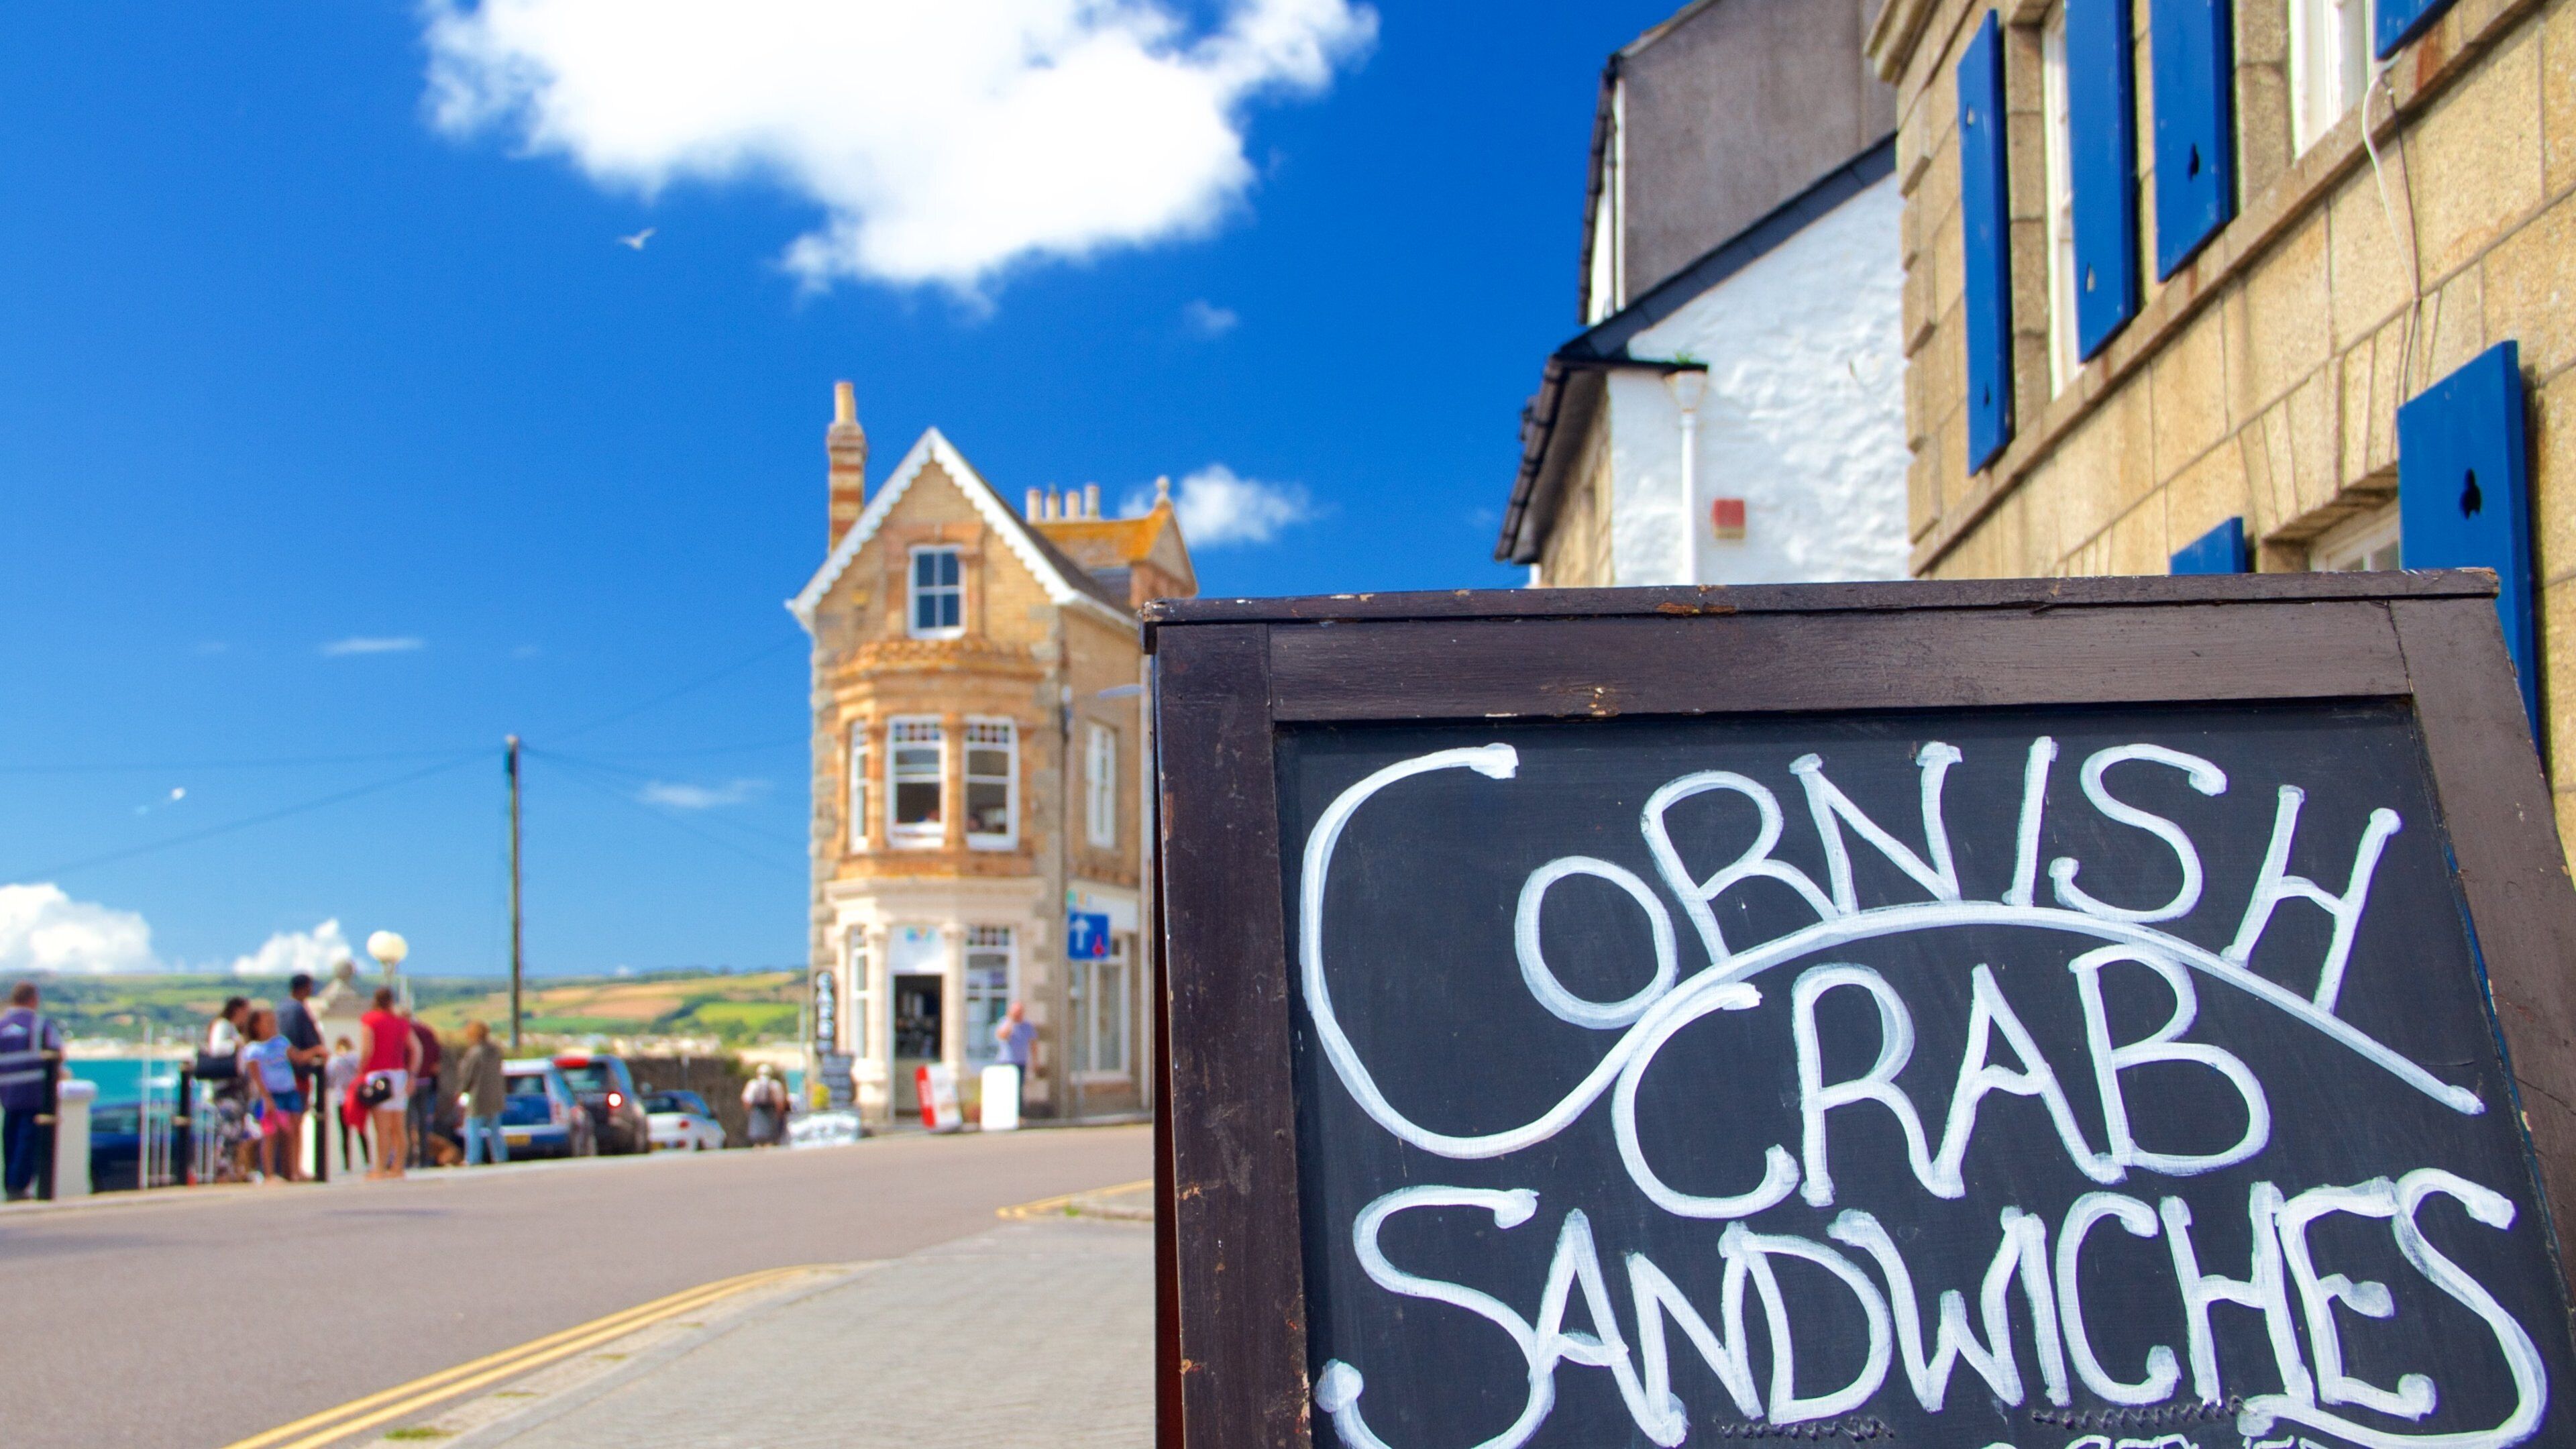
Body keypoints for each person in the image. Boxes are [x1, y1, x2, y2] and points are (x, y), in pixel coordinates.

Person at [0, 983, 64, 1201]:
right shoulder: (39, 1025)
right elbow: (57, 1053)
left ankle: (10, 1184)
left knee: (10, 1138)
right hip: (34, 1093)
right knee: (27, 1142)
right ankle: (18, 1187)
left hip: (8, 1095)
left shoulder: (1, 1025)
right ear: (32, 999)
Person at [357, 987, 421, 1180]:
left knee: (382, 1127)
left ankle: (380, 1168)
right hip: (400, 1075)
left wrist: (360, 1071)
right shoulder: (401, 1022)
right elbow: (417, 1049)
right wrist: (412, 1075)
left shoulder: (370, 1020)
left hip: (378, 1075)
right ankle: (398, 1166)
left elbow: (368, 1049)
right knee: (399, 1126)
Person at [237, 1009, 305, 1184]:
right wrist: (266, 1098)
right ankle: (269, 1174)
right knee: (271, 1133)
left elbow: (297, 1057)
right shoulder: (253, 1049)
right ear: (256, 1026)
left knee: (292, 1132)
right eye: (267, 1022)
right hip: (271, 1094)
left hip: (288, 1090)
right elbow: (256, 1076)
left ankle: (294, 1172)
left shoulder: (282, 1042)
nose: (273, 1025)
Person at [207, 997, 254, 1183]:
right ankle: (223, 1172)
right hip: (226, 1089)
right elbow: (216, 1049)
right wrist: (237, 1044)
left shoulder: (232, 1028)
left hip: (235, 1089)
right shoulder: (223, 1026)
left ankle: (232, 1170)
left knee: (235, 1130)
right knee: (228, 1131)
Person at [454, 1021, 508, 1166]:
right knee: (495, 1130)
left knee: (473, 1129)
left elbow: (467, 1076)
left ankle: (473, 1158)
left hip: (478, 1096)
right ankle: (500, 1157)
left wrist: (461, 1090)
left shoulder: (475, 1053)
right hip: (495, 1096)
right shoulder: (496, 1050)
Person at [406, 1010, 443, 1169]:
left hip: (408, 1081)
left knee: (407, 1123)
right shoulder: (428, 1032)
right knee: (423, 1121)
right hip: (426, 1081)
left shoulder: (405, 1033)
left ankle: (407, 1159)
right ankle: (423, 1159)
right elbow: (437, 1061)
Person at [325, 1036, 365, 1170]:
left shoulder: (334, 1061)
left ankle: (347, 1165)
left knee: (345, 1134)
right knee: (361, 1130)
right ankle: (367, 1161)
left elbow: (329, 1082)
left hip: (342, 1099)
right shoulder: (355, 1058)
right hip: (356, 1097)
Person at [995, 1001, 1036, 1110]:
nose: (1018, 1015)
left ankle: (1018, 1114)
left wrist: (1035, 1062)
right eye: (1016, 1012)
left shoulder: (1028, 1026)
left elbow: (1033, 1045)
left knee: (1018, 1089)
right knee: (1005, 1089)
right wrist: (1011, 1021)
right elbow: (1002, 1035)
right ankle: (1003, 1111)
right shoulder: (1004, 1022)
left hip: (1020, 1062)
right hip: (1005, 1062)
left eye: (1020, 1012)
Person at [741, 1065, 788, 1147]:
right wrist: (779, 1113)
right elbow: (779, 1101)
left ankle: (757, 1144)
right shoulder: (775, 1085)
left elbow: (746, 1099)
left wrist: (748, 1111)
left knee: (757, 1128)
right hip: (770, 1110)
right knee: (769, 1129)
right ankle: (769, 1143)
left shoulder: (753, 1084)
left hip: (757, 1110)